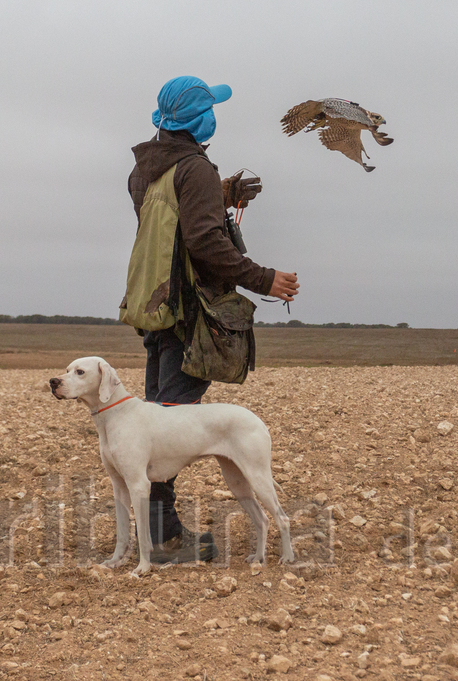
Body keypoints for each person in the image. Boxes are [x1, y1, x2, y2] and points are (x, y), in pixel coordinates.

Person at [123, 76, 299, 564]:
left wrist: (220, 194)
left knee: (156, 418)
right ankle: (162, 540)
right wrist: (264, 279)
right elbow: (203, 242)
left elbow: (172, 224)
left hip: (156, 310)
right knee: (166, 430)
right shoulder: (193, 168)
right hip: (188, 315)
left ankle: (157, 533)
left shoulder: (144, 169)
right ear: (202, 120)